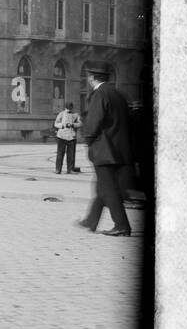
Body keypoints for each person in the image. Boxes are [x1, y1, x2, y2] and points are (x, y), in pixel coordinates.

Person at [75, 59, 134, 237]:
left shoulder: (99, 94)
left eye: (88, 77)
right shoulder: (117, 93)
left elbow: (94, 122)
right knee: (103, 186)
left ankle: (122, 225)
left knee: (108, 189)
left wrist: (87, 135)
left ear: (92, 77)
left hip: (104, 150)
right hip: (120, 149)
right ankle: (91, 220)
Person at [54, 102, 81, 174]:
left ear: (72, 108)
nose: (69, 109)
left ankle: (70, 169)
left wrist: (73, 125)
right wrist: (62, 125)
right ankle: (58, 169)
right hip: (61, 136)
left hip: (71, 137)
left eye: (70, 107)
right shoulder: (61, 114)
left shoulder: (76, 115)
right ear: (65, 108)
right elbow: (56, 123)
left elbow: (80, 123)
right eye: (68, 108)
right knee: (60, 153)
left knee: (71, 154)